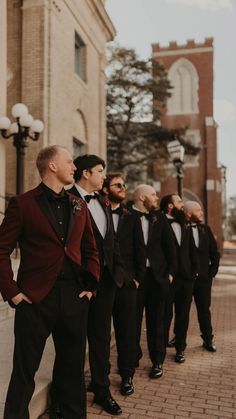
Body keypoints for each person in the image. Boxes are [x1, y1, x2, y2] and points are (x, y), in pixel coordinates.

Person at [0, 145, 100, 419]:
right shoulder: (22, 203)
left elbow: (91, 250)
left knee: (72, 370)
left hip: (74, 298)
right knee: (24, 371)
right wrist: (13, 292)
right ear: (52, 166)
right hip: (34, 300)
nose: (74, 167)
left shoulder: (79, 204)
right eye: (69, 161)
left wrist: (90, 286)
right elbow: (1, 251)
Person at [69, 155, 123, 416]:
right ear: (86, 173)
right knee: (74, 342)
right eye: (101, 171)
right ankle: (69, 395)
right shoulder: (66, 198)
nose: (105, 176)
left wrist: (118, 273)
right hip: (79, 285)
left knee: (101, 339)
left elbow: (111, 241)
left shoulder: (103, 201)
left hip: (107, 283)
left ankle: (101, 389)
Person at [102, 173, 146, 396]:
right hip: (102, 283)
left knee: (127, 332)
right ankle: (101, 377)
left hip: (127, 285)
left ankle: (127, 376)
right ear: (106, 189)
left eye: (124, 185)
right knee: (99, 334)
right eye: (118, 185)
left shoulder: (132, 217)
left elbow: (140, 250)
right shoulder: (97, 212)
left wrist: (137, 278)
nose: (123, 188)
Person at [131, 185, 177, 378]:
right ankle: (132, 357)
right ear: (142, 197)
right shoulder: (127, 216)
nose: (157, 198)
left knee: (157, 321)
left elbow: (170, 247)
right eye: (153, 195)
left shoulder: (160, 219)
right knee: (131, 321)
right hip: (135, 280)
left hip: (158, 278)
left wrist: (171, 273)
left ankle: (157, 361)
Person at [160, 194, 198, 363]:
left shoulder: (185, 224)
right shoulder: (159, 222)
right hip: (168, 278)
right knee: (164, 315)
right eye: (179, 202)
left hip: (186, 278)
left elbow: (191, 249)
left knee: (183, 315)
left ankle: (180, 348)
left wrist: (194, 271)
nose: (182, 205)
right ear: (169, 206)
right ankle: (159, 350)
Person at [184, 201, 220, 352]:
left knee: (204, 310)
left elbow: (214, 253)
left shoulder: (206, 229)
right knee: (182, 310)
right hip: (185, 279)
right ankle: (179, 339)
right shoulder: (181, 228)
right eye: (198, 211)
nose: (202, 213)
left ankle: (208, 339)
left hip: (204, 279)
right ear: (189, 213)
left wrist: (211, 273)